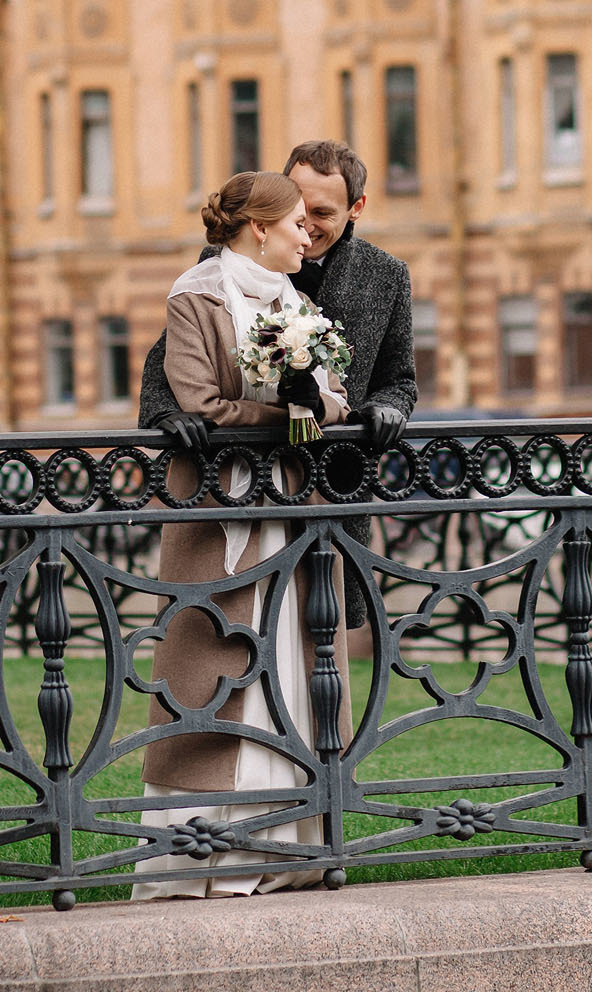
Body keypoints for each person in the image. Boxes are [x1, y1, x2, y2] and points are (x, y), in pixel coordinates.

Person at [133, 170, 351, 900]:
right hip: (221, 507)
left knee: (292, 662)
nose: (306, 235)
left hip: (290, 506)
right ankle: (206, 856)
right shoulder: (196, 294)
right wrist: (286, 412)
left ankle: (291, 846)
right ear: (260, 228)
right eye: (295, 225)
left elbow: (335, 395)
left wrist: (313, 400)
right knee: (221, 666)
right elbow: (198, 400)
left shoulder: (297, 301)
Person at [140, 140, 416, 453]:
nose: (307, 228)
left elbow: (398, 379)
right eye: (298, 212)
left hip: (338, 468)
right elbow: (176, 352)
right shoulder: (225, 262)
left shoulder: (385, 273)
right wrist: (166, 411)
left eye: (322, 213)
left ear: (356, 208)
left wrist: (386, 409)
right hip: (233, 458)